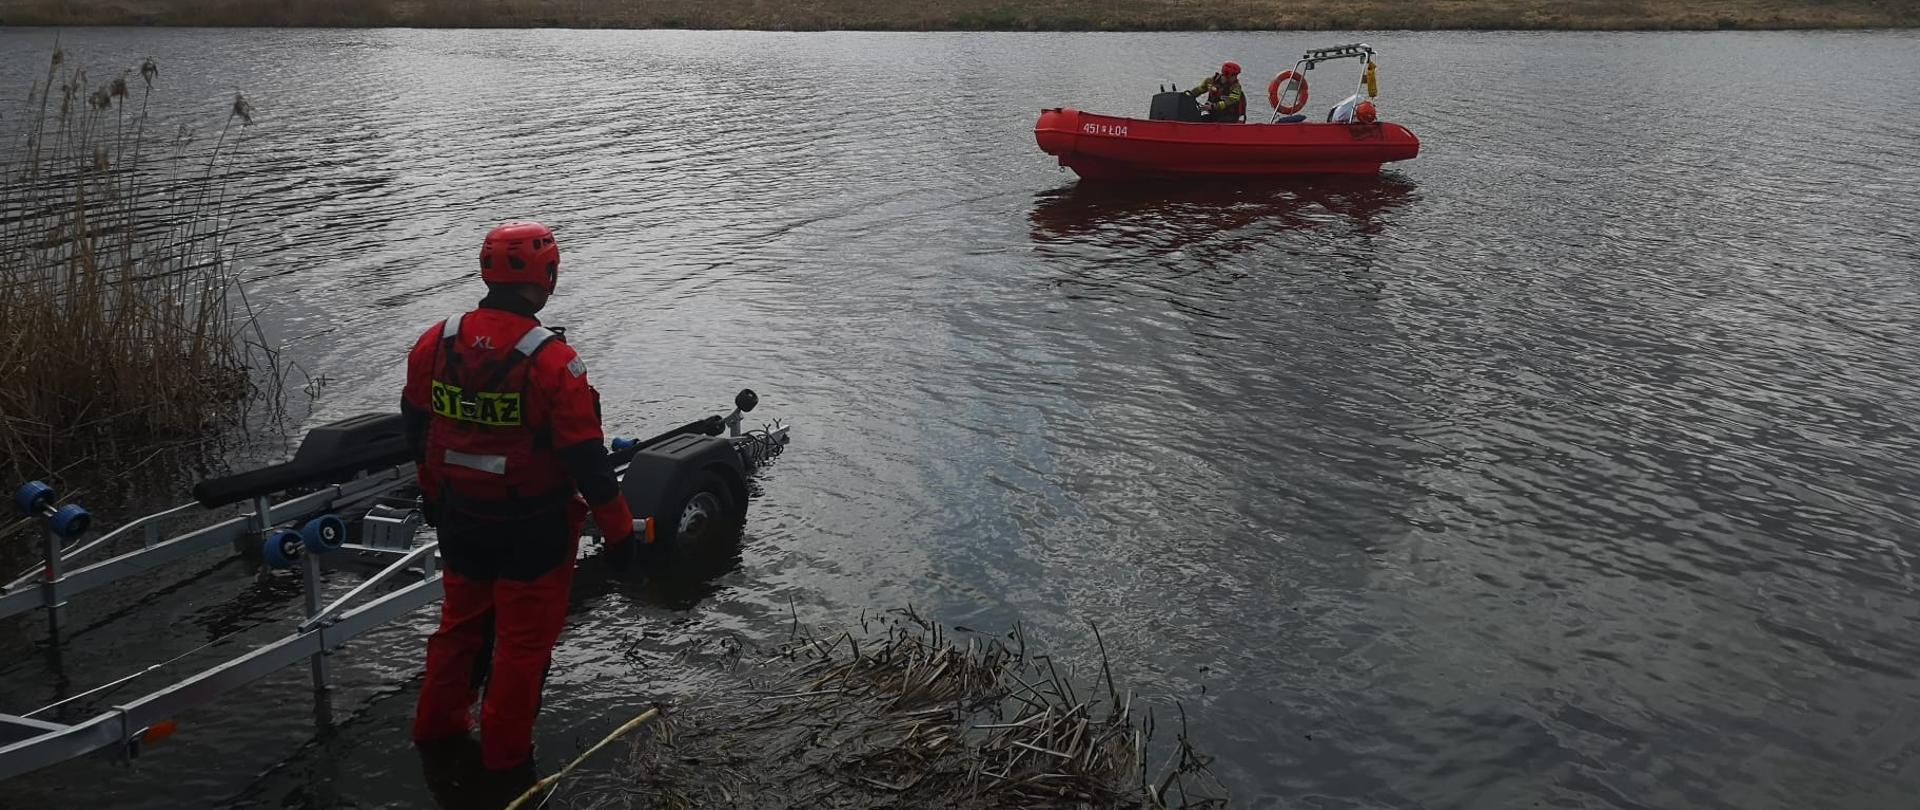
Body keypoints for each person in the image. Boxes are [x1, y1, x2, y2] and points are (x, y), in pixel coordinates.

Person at [404, 220, 644, 777]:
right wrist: (619, 533)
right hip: (534, 528)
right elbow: (588, 462)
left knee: (458, 630)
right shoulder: (555, 362)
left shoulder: (436, 341)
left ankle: (436, 735)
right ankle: (507, 766)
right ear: (548, 275)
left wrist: (431, 492)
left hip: (460, 517)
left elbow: (415, 427)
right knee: (521, 648)